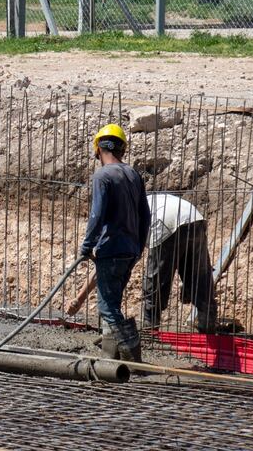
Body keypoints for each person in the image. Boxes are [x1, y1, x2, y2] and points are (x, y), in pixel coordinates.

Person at [79, 123, 150, 362]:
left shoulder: (102, 176)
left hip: (111, 249)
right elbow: (145, 215)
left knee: (107, 308)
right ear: (122, 149)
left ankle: (132, 358)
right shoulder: (133, 175)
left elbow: (97, 215)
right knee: (114, 303)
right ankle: (113, 357)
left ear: (98, 148)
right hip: (130, 249)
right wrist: (138, 247)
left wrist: (87, 245)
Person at [143, 193, 218, 334]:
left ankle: (150, 327)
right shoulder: (147, 200)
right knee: (199, 276)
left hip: (166, 221)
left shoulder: (127, 211)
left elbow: (135, 249)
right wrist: (189, 281)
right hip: (195, 218)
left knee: (156, 278)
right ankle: (208, 326)